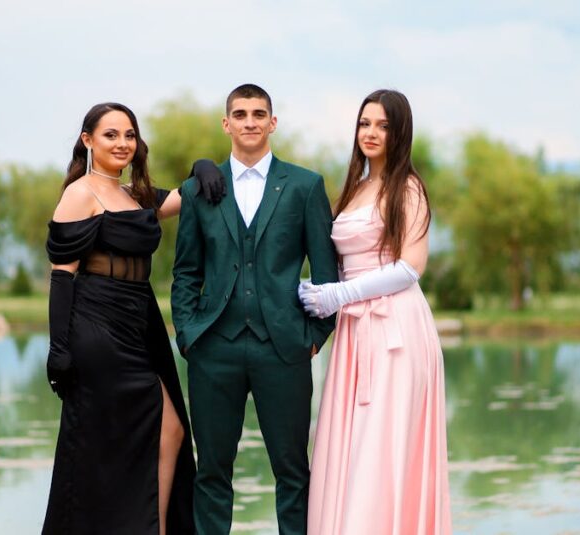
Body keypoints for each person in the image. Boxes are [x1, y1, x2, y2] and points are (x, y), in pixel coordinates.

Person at [42, 102, 225, 534]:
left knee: (171, 431)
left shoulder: (135, 194)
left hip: (139, 322)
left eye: (129, 135)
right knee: (110, 436)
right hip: (96, 324)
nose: (123, 143)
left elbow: (184, 198)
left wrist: (202, 167)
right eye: (111, 135)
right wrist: (59, 349)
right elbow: (62, 277)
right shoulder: (80, 193)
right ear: (88, 140)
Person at [170, 84, 339, 535]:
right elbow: (185, 271)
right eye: (240, 114)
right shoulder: (199, 190)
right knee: (211, 473)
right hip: (213, 349)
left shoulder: (305, 186)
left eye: (258, 114)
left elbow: (326, 270)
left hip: (284, 349)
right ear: (226, 124)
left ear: (273, 122)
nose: (250, 122)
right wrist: (188, 335)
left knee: (292, 471)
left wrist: (315, 336)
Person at [298, 89, 452, 534]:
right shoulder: (357, 187)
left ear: (400, 132)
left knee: (380, 443)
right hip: (353, 332)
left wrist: (338, 296)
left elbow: (409, 268)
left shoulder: (409, 188)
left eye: (383, 125)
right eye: (365, 123)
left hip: (394, 331)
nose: (371, 133)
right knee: (350, 444)